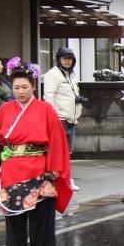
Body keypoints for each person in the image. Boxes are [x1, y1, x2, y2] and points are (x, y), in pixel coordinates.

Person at [0, 58, 73, 246]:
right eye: (16, 87)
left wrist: (53, 168)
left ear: (34, 86)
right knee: (14, 217)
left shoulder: (46, 109)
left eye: (25, 87)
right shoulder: (5, 110)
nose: (21, 91)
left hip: (40, 167)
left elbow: (57, 140)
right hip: (13, 167)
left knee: (41, 218)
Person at [43, 47, 83, 191]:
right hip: (60, 119)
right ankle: (60, 179)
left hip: (71, 119)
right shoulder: (53, 75)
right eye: (65, 58)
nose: (68, 61)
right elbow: (49, 97)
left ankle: (65, 178)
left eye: (70, 59)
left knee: (67, 152)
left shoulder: (70, 75)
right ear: (58, 59)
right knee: (59, 152)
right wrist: (53, 118)